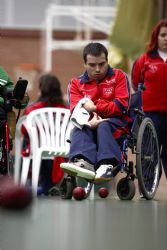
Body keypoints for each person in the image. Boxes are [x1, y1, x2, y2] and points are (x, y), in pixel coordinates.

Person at [61, 42, 132, 182]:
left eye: (102, 64)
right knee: (80, 127)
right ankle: (83, 162)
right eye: (92, 65)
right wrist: (88, 122)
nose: (98, 69)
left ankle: (107, 165)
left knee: (103, 126)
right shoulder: (75, 84)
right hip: (90, 124)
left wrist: (95, 108)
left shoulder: (119, 76)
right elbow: (76, 111)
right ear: (85, 65)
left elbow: (121, 106)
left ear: (107, 61)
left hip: (117, 125)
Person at [131, 19, 167, 179]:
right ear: (156, 37)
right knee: (149, 153)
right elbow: (135, 81)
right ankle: (148, 183)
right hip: (151, 115)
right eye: (163, 35)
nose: (166, 38)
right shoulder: (144, 60)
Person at [23, 73, 68, 194]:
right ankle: (51, 185)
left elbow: (24, 130)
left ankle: (36, 181)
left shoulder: (33, 109)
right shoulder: (66, 110)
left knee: (28, 141)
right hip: (63, 150)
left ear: (41, 89)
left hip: (38, 149)